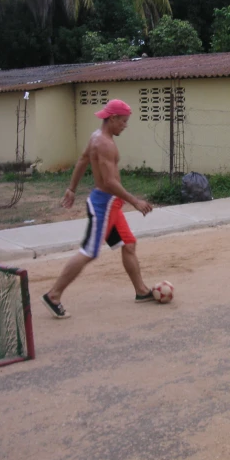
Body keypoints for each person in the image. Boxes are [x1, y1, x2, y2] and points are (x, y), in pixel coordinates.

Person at [41, 99, 155, 319]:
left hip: (111, 204)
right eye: (123, 121)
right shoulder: (105, 143)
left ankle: (141, 291)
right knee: (89, 251)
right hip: (104, 204)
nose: (125, 125)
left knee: (128, 244)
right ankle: (53, 295)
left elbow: (83, 160)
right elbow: (110, 182)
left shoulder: (96, 137)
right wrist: (135, 201)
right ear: (112, 118)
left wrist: (71, 189)